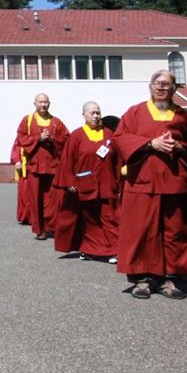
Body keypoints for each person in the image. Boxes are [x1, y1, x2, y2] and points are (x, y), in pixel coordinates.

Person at [113, 70, 187, 300]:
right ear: (150, 87)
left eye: (167, 84)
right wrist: (150, 144)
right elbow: (120, 139)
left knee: (174, 232)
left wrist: (181, 148)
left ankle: (169, 278)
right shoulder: (135, 113)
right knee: (142, 232)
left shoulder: (185, 117)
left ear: (174, 89)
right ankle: (144, 279)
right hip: (143, 184)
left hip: (175, 185)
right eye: (157, 83)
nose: (161, 87)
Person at [53, 102, 119, 262]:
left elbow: (118, 160)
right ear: (84, 115)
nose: (95, 116)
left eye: (98, 113)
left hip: (106, 183)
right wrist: (69, 182)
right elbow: (67, 160)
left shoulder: (109, 134)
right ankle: (87, 249)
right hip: (84, 184)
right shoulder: (77, 135)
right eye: (92, 113)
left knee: (108, 217)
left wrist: (119, 181)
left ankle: (113, 250)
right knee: (87, 219)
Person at [15, 94, 69, 239]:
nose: (43, 105)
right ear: (35, 103)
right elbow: (21, 138)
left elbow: (66, 139)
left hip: (53, 166)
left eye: (45, 102)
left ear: (49, 104)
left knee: (53, 199)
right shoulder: (27, 120)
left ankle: (52, 227)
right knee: (35, 199)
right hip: (35, 166)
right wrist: (38, 139)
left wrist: (52, 139)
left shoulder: (56, 122)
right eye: (40, 102)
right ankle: (40, 230)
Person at [9, 142, 32, 225]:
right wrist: (17, 160)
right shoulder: (22, 136)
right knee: (25, 193)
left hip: (35, 165)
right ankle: (26, 216)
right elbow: (16, 146)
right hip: (25, 169)